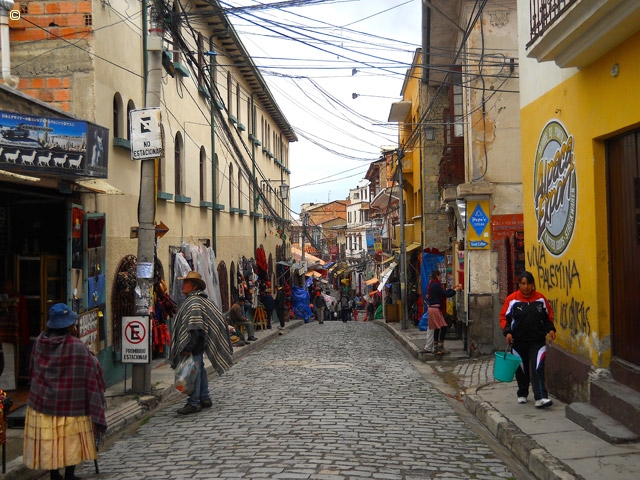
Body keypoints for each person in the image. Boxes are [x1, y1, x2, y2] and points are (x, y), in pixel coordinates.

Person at [23, 303, 107, 480]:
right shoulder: (77, 346)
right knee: (70, 440)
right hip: (71, 404)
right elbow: (93, 372)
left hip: (44, 403)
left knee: (51, 440)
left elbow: (32, 369)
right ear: (68, 326)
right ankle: (70, 474)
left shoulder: (39, 342)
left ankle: (54, 474)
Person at [169, 271, 234, 415]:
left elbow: (196, 328)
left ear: (194, 287)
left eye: (186, 283)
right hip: (199, 342)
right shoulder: (202, 300)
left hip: (195, 343)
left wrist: (188, 346)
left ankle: (194, 402)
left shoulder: (194, 302)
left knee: (195, 371)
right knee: (200, 369)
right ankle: (205, 397)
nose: (183, 285)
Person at [500, 271, 556, 408]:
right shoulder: (512, 300)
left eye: (528, 284)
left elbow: (548, 316)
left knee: (538, 367)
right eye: (523, 284)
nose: (526, 287)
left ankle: (541, 397)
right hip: (518, 341)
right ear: (519, 285)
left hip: (537, 340)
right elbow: (503, 318)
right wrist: (507, 332)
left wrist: (551, 329)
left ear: (533, 285)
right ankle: (522, 393)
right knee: (522, 369)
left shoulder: (540, 299)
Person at [420, 270, 461, 355]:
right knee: (442, 326)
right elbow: (445, 294)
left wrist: (451, 289)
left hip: (433, 308)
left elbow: (442, 292)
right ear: (437, 276)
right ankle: (438, 347)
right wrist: (455, 290)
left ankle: (434, 347)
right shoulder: (436, 285)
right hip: (436, 308)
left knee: (436, 327)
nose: (440, 277)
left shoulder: (432, 284)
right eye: (440, 276)